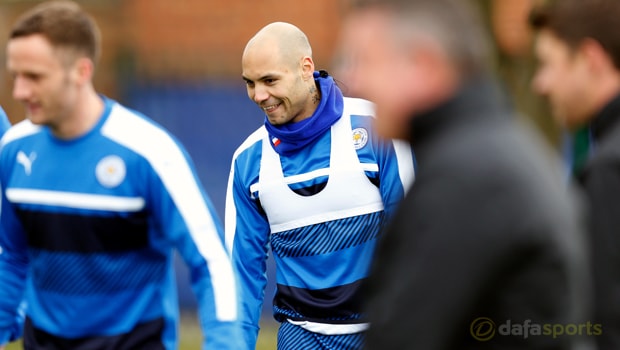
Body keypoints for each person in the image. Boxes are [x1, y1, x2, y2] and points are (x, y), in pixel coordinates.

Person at [337, 0, 595, 349]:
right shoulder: (492, 151)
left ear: (423, 64)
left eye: (364, 60)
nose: (352, 79)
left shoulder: (466, 181)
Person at [0, 1, 241, 349]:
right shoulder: (14, 150)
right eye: (16, 76)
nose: (20, 91)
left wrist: (225, 343)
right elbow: (12, 256)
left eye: (35, 77)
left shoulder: (150, 151)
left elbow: (210, 261)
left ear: (81, 72)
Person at [225, 21, 415, 349]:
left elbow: (417, 240)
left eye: (269, 80)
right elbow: (242, 276)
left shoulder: (377, 130)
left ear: (305, 68)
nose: (259, 95)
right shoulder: (247, 163)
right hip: (300, 336)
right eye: (250, 83)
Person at [529, 0, 620, 348]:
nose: (541, 84)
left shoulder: (609, 171)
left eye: (548, 64)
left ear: (590, 59)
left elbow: (605, 325)